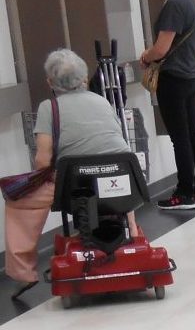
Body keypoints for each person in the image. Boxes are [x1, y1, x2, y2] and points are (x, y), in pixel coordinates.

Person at [5, 48, 132, 298]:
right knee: (117, 192)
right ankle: (131, 236)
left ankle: (23, 273)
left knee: (18, 202)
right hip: (121, 180)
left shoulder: (48, 107)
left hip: (75, 186)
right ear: (84, 79)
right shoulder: (102, 101)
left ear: (50, 83)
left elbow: (43, 159)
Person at [139, 0, 195, 211]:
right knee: (193, 133)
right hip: (191, 75)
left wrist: (146, 56)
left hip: (174, 78)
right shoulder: (191, 1)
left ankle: (184, 194)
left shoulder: (174, 5)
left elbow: (161, 49)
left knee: (179, 137)